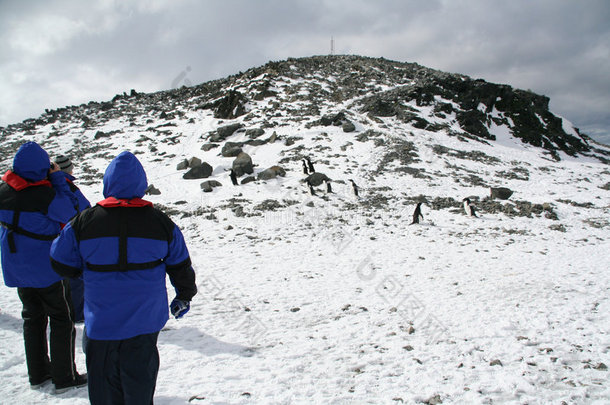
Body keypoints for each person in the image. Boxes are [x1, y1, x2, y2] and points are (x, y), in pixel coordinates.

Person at [50, 151, 197, 404]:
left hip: (101, 323)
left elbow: (59, 261)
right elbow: (180, 265)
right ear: (141, 183)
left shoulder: (84, 222)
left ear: (108, 183)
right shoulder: (161, 223)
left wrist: (85, 272)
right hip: (145, 323)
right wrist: (184, 295)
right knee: (139, 390)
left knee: (104, 394)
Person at [0, 141, 86, 392]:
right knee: (61, 319)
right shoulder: (46, 195)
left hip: (17, 269)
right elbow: (76, 210)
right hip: (46, 269)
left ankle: (37, 373)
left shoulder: (3, 192)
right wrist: (59, 178)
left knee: (32, 319)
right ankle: (65, 376)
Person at [55, 155, 91, 323]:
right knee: (75, 277)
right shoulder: (67, 187)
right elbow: (84, 209)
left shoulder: (45, 185)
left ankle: (60, 310)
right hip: (70, 237)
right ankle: (76, 313)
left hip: (50, 237)